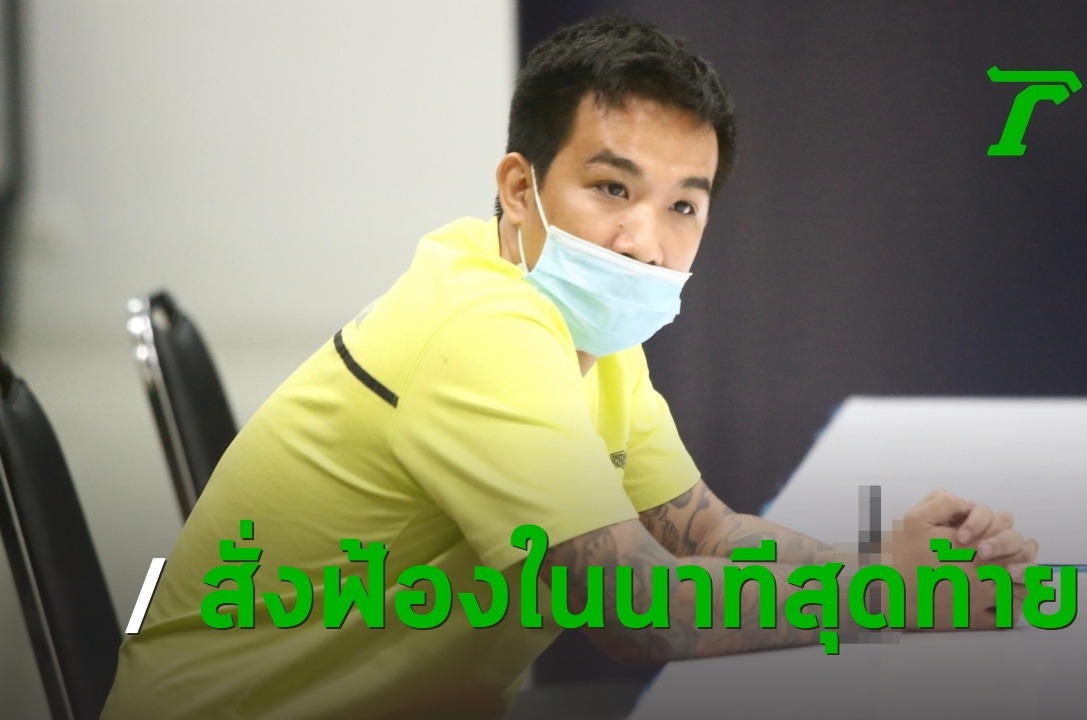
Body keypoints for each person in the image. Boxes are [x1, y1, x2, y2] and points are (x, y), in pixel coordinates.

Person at [103, 16, 1039, 720]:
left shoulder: (587, 332)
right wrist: (896, 594)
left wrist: (884, 559)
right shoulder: (483, 329)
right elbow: (642, 615)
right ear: (521, 187)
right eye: (611, 188)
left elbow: (705, 537)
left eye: (683, 207)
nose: (644, 241)